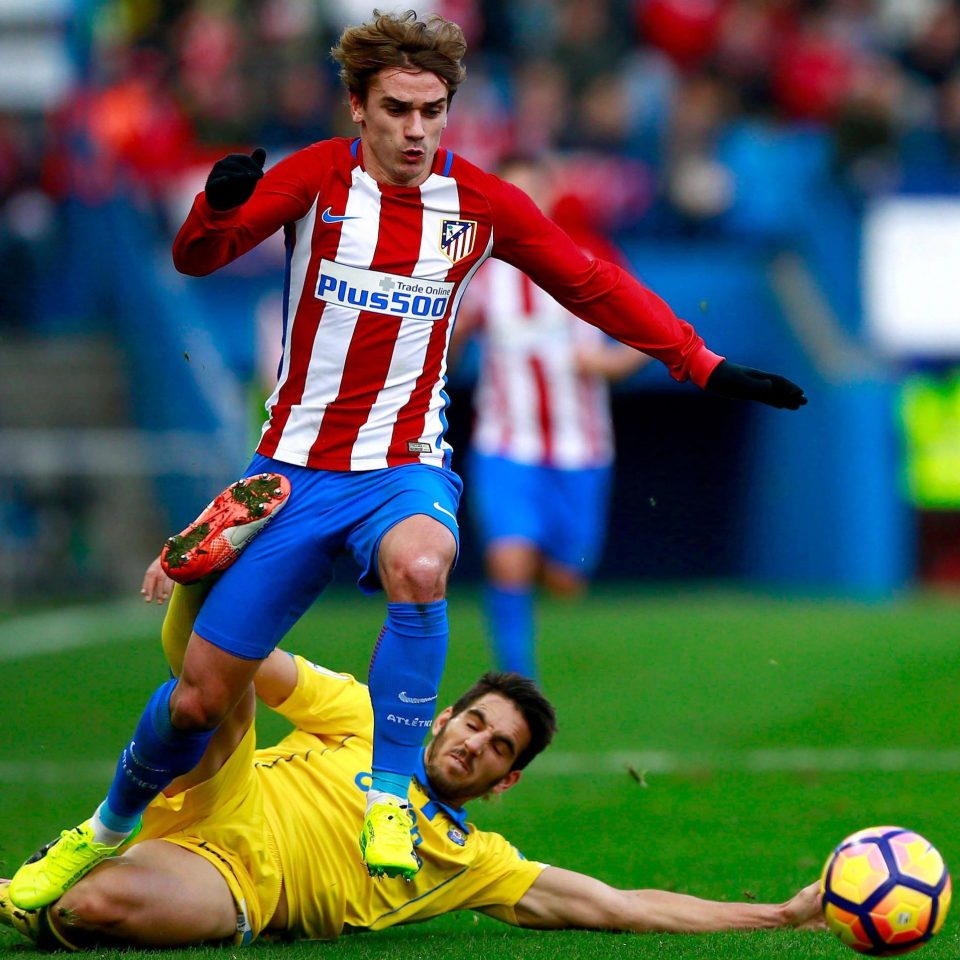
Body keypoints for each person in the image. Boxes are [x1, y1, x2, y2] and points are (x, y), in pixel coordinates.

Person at [9, 8, 807, 907]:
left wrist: (698, 362)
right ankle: (100, 830)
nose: (417, 129)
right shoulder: (315, 179)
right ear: (358, 105)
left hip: (404, 465)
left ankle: (391, 795)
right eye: (397, 109)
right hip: (294, 474)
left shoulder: (481, 204)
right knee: (197, 701)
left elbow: (588, 281)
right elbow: (200, 259)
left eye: (434, 110)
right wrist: (215, 206)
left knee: (424, 564)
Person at [0, 578, 823, 949]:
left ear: (504, 782)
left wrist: (781, 917)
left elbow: (619, 908)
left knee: (92, 911)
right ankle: (103, 826)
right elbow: (232, 655)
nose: (474, 742)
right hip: (222, 786)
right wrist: (199, 585)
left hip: (244, 886)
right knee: (216, 673)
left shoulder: (468, 860)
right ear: (439, 718)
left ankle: (60, 877)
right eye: (472, 723)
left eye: (497, 748)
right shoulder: (366, 712)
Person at [457, 155, 649, 677]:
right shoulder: (476, 269)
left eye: (530, 192)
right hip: (506, 443)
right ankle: (518, 684)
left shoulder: (589, 256)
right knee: (507, 559)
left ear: (548, 196)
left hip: (579, 447)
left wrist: (605, 363)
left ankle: (550, 558)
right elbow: (446, 352)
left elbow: (644, 336)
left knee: (568, 581)